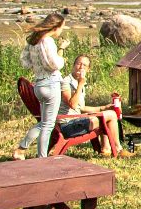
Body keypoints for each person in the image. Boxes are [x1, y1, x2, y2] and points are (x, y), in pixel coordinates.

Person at [19, 12, 67, 158]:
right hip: (51, 83)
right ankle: (40, 157)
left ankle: (24, 147)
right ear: (56, 27)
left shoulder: (34, 41)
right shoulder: (47, 41)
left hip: (39, 84)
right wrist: (62, 56)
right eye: (61, 28)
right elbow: (54, 64)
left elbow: (24, 62)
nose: (61, 31)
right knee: (47, 125)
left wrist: (36, 66)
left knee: (43, 123)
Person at [61, 54, 130, 157]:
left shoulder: (77, 82)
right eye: (78, 64)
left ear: (88, 70)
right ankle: (117, 149)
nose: (81, 67)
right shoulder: (66, 82)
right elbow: (73, 105)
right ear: (73, 65)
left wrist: (103, 108)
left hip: (75, 121)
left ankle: (106, 149)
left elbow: (82, 108)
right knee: (110, 115)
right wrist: (80, 84)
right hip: (67, 126)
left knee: (105, 114)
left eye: (84, 65)